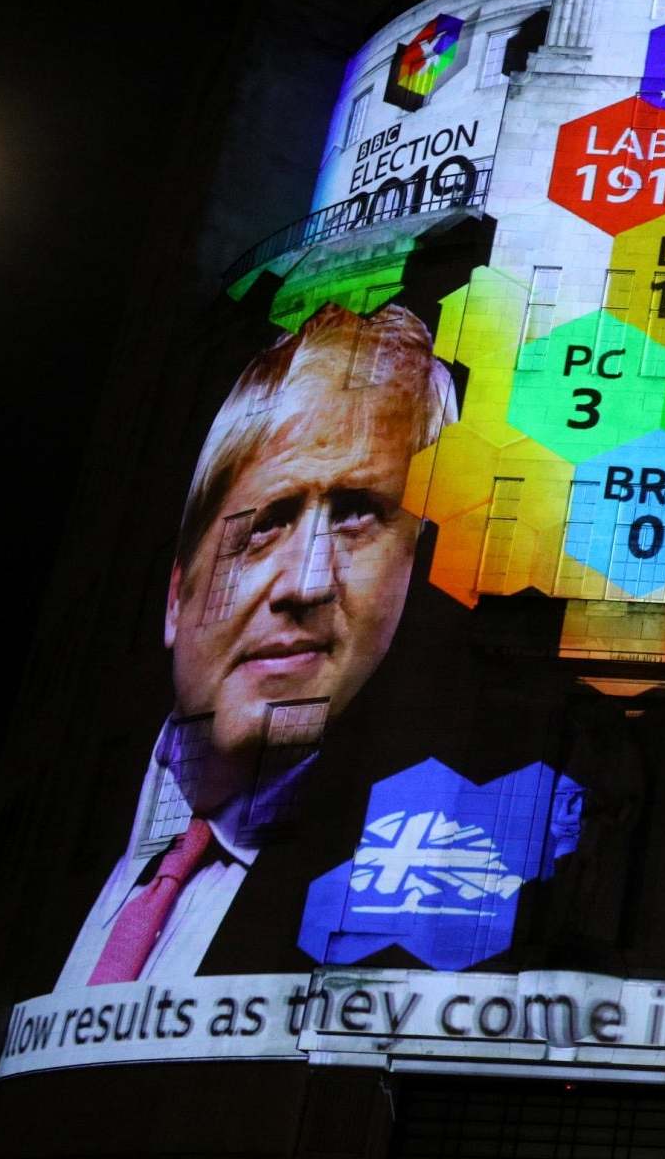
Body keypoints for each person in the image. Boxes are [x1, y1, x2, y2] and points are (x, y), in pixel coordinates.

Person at [57, 302, 458, 987]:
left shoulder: (417, 885)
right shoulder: (60, 840)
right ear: (175, 594)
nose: (306, 582)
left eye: (359, 514)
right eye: (268, 522)